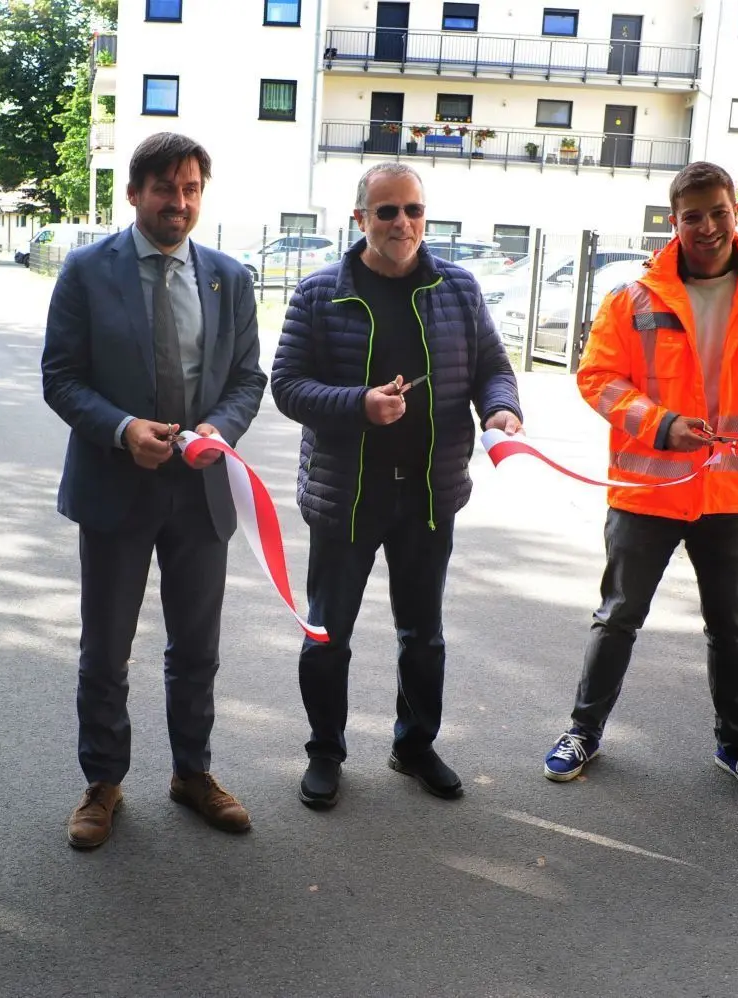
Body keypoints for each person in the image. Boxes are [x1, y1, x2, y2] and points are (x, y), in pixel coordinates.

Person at [541, 161, 738, 800]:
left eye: (718, 211)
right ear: (674, 221)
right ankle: (584, 731)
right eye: (694, 216)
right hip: (649, 490)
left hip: (732, 493)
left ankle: (735, 742)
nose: (708, 226)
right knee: (618, 617)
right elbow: (598, 379)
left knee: (732, 626)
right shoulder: (633, 297)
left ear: (735, 209)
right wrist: (662, 426)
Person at [270, 163, 522, 810]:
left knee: (424, 635)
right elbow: (288, 386)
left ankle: (414, 745)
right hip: (347, 495)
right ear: (359, 220)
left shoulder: (458, 289)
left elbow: (493, 366)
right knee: (328, 633)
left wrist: (500, 409)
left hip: (429, 495)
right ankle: (326, 751)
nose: (401, 223)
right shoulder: (318, 293)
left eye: (412, 210)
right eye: (386, 212)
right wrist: (359, 404)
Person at [41, 132, 266, 849]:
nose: (180, 202)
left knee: (197, 647)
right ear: (135, 192)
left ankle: (192, 772)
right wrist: (121, 428)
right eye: (166, 188)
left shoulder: (229, 276)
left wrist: (220, 432)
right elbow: (61, 376)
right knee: (106, 649)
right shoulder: (86, 271)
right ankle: (103, 782)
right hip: (115, 489)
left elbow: (247, 379)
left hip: (201, 495)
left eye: (192, 188)